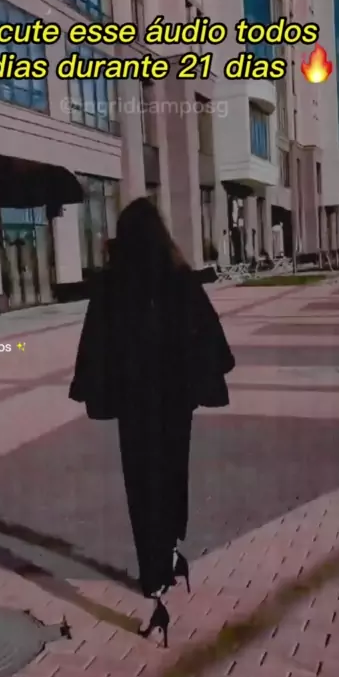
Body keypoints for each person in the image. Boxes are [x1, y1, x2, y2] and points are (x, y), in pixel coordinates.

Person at [69, 198, 235, 646]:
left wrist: (97, 390)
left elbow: (95, 346)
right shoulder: (179, 277)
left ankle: (156, 585)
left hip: (137, 407)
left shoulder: (112, 285)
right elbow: (210, 336)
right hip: (175, 403)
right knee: (173, 475)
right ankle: (173, 553)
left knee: (143, 490)